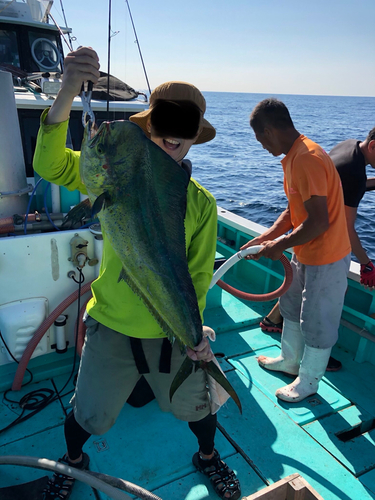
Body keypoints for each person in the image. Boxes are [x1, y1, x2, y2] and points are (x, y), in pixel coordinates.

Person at [33, 47, 241, 500]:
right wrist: (67, 92)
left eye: (181, 132)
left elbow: (198, 276)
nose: (171, 137)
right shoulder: (111, 174)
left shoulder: (200, 203)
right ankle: (73, 463)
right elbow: (49, 165)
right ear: (149, 127)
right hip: (112, 322)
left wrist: (196, 332)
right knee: (90, 416)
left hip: (172, 334)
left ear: (192, 139)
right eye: (162, 127)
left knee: (197, 405)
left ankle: (207, 456)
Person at [242, 98, 351, 403]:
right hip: (303, 252)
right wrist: (266, 237)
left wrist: (279, 245)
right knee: (291, 309)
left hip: (326, 257)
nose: (261, 145)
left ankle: (309, 382)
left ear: (269, 131)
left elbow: (318, 222)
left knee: (317, 320)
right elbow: (294, 212)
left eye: (259, 138)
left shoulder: (307, 158)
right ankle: (290, 362)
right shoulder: (292, 156)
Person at [260, 127, 375, 367]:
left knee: (299, 295)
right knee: (319, 308)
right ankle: (311, 363)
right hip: (325, 246)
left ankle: (277, 328)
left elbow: (343, 184)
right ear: (373, 147)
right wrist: (365, 263)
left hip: (305, 238)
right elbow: (346, 225)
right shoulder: (354, 172)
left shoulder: (348, 146)